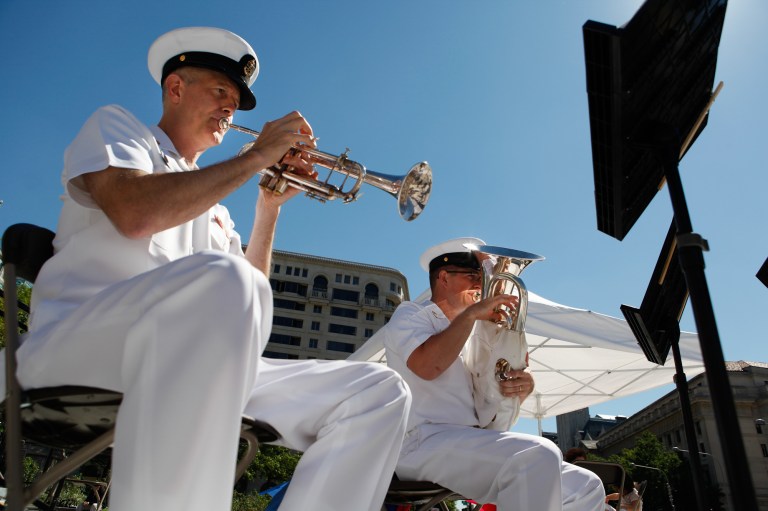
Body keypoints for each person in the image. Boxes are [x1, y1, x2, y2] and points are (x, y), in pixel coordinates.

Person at [17, 27, 410, 511]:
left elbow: (249, 309)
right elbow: (134, 213)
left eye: (237, 100)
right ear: (175, 88)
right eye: (221, 90)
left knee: (379, 392)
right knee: (229, 280)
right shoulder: (120, 130)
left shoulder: (217, 208)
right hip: (84, 345)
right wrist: (254, 158)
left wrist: (269, 209)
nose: (231, 107)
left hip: (203, 362)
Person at [372, 237, 605, 511]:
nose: (481, 286)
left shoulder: (476, 332)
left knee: (587, 485)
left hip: (469, 442)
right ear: (444, 277)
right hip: (422, 442)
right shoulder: (412, 314)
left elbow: (492, 401)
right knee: (539, 453)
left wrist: (522, 385)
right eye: (473, 276)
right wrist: (471, 315)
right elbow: (427, 366)